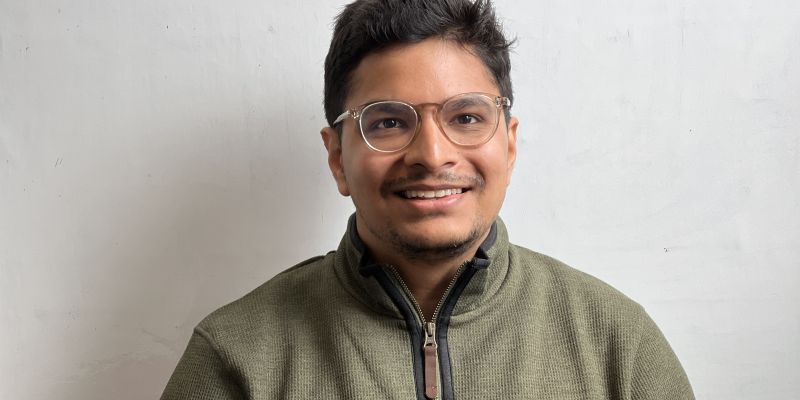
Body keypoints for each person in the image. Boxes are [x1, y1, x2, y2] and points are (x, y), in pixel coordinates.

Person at [161, 0, 694, 399]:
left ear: (509, 145)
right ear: (337, 158)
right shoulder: (235, 359)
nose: (433, 154)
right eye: (389, 122)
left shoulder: (616, 346)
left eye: (465, 117)